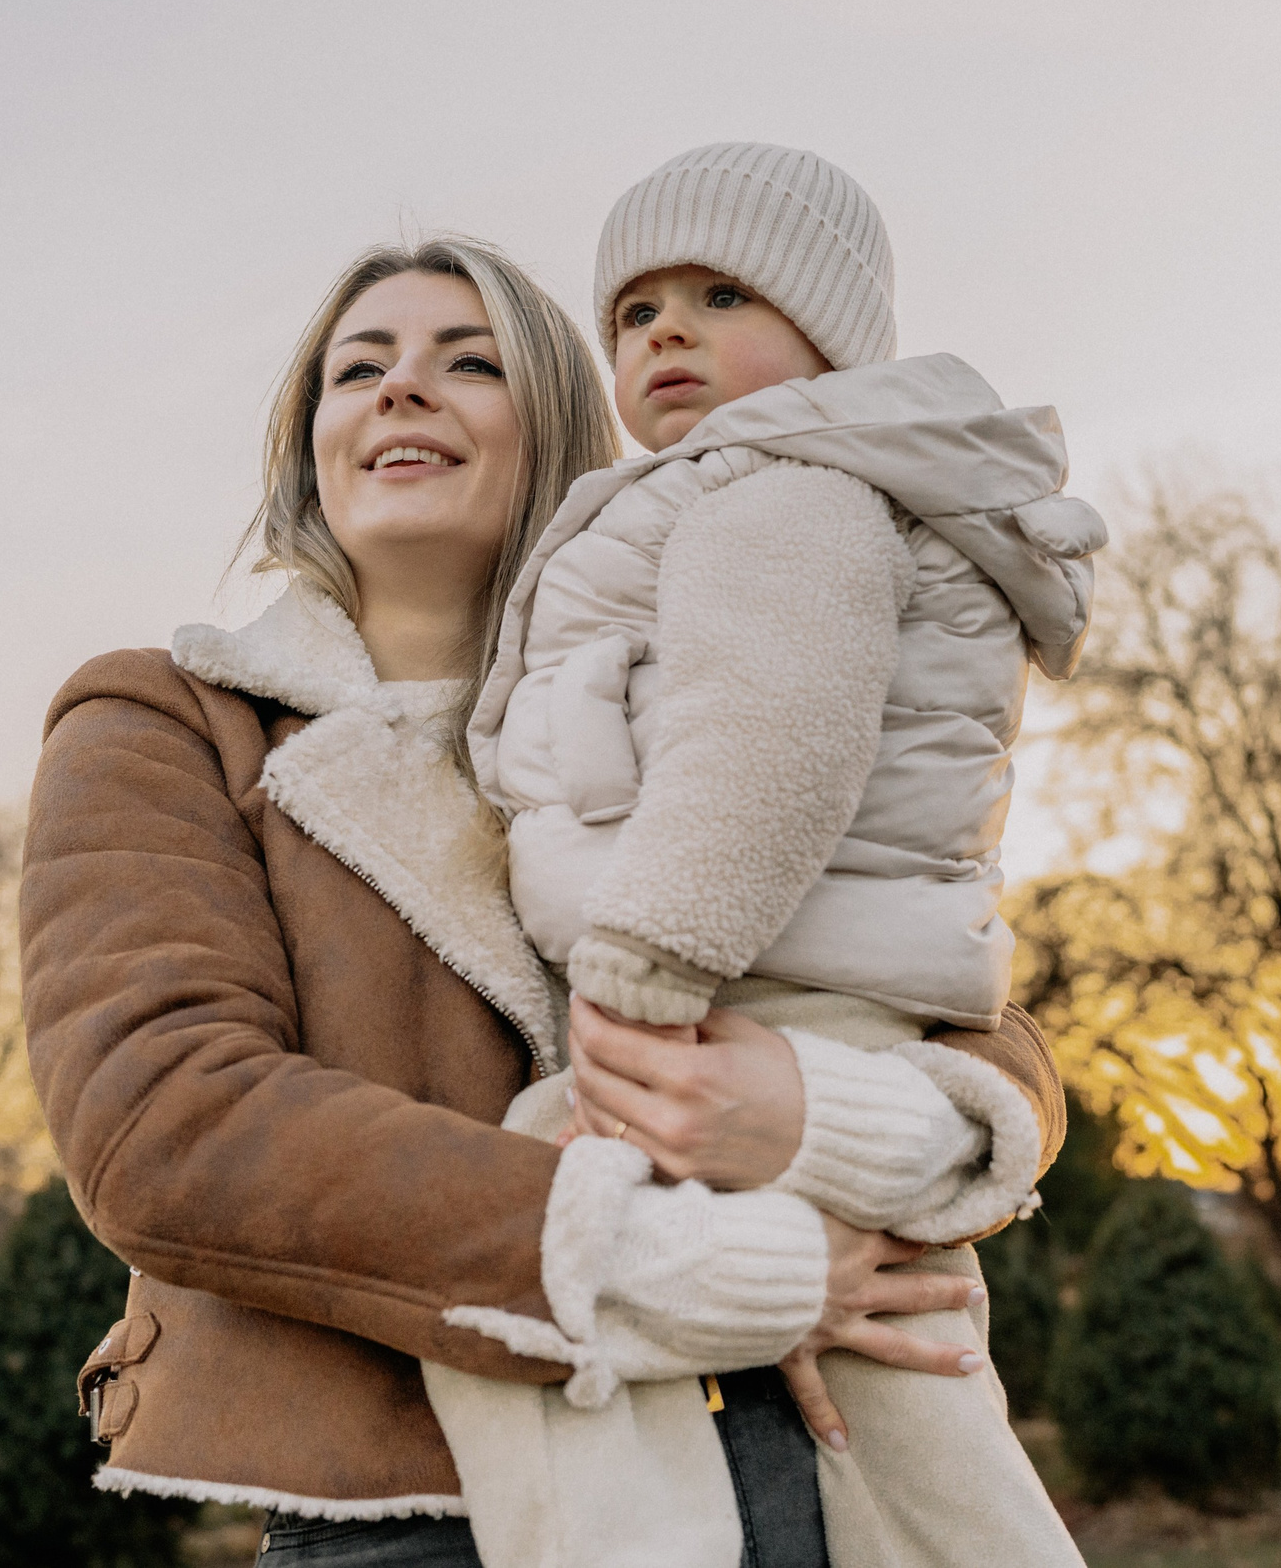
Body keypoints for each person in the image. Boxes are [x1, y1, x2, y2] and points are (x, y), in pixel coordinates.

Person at [19, 235, 1068, 1568]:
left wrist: (818, 1117)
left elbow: (964, 997)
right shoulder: (167, 722)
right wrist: (698, 1272)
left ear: (563, 431)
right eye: (359, 369)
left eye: (470, 362)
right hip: (408, 1510)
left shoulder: (733, 680)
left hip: (792, 1469)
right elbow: (165, 1124)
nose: (404, 389)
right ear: (310, 446)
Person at [443, 144, 1096, 1568]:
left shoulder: (783, 494)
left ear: (827, 340)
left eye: (720, 293)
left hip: (756, 991)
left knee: (529, 1239)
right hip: (779, 987)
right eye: (634, 310)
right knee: (902, 1405)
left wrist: (639, 970)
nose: (665, 331)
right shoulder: (731, 494)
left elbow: (767, 752)